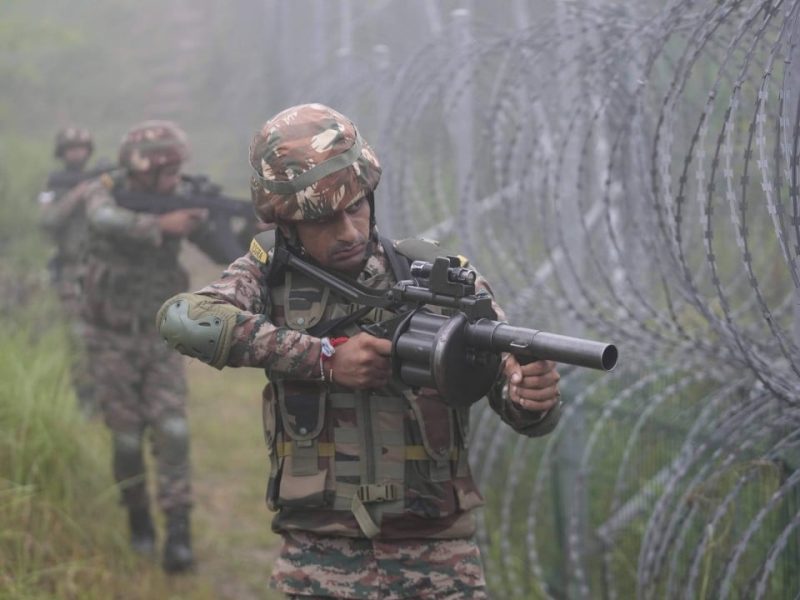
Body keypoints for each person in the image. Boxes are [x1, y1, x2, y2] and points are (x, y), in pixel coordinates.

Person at [156, 103, 562, 598]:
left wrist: (532, 398)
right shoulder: (267, 273)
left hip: (438, 559)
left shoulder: (438, 276)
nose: (348, 231)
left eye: (356, 207)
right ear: (287, 222)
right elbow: (184, 320)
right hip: (320, 558)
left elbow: (512, 393)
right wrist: (323, 358)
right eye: (324, 219)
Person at [77, 120, 230, 573]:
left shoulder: (180, 196)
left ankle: (178, 533)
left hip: (160, 337)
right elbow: (101, 217)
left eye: (176, 170)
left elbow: (222, 249)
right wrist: (160, 223)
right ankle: (139, 520)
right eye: (166, 172)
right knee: (126, 440)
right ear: (141, 169)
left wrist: (236, 225)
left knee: (174, 432)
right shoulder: (107, 191)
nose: (174, 180)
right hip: (109, 338)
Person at [37, 126, 98, 416]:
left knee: (106, 335)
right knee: (78, 338)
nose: (77, 153)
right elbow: (47, 222)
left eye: (81, 147)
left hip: (102, 272)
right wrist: (76, 196)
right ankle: (85, 400)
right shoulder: (53, 185)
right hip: (71, 274)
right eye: (71, 148)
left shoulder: (101, 181)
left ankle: (108, 397)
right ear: (62, 153)